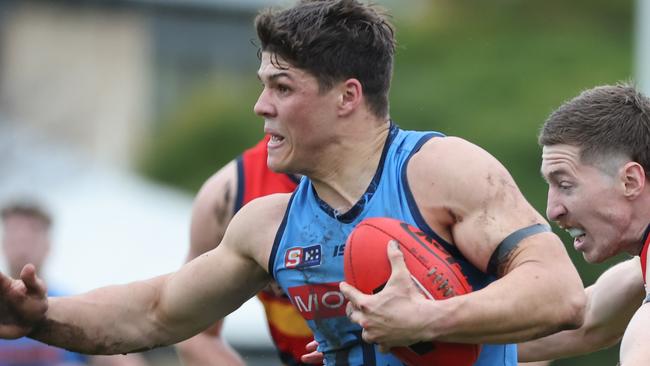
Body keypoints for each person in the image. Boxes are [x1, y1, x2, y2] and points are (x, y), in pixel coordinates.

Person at [0, 1, 586, 365]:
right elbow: (155, 313)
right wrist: (40, 319)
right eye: (263, 85)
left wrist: (426, 320)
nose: (261, 106)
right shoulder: (266, 224)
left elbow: (561, 295)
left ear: (346, 97)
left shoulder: (441, 171)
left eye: (282, 87)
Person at [516, 83, 650, 365]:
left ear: (630, 181)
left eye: (565, 184)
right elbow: (585, 321)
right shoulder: (642, 269)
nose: (552, 210)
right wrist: (427, 333)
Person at [175, 136, 312, 366]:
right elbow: (195, 334)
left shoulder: (391, 175)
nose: (262, 107)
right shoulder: (227, 194)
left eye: (284, 95)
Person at [0, 201, 150, 366]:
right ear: (4, 243)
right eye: (15, 234)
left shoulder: (72, 304)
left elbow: (122, 361)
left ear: (48, 245)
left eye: (32, 234)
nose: (22, 242)